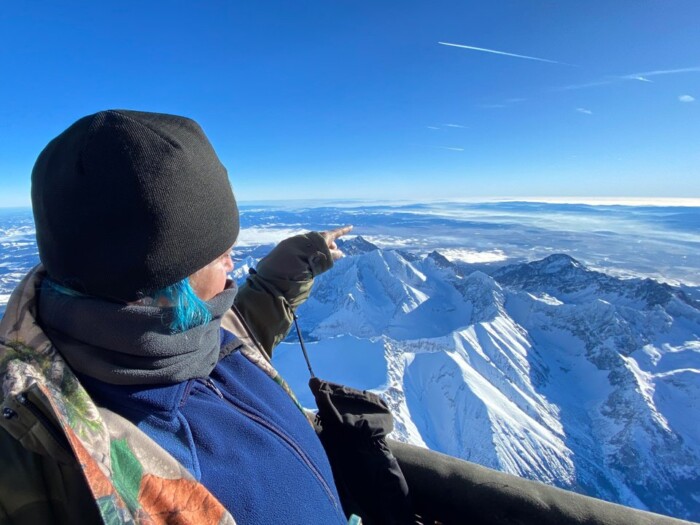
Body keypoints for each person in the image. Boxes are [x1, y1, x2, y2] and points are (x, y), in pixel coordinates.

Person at [0, 109, 355, 524]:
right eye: (220, 252)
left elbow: (243, 322)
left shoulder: (195, 334)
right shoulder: (41, 450)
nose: (234, 263)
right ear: (161, 279)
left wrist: (299, 262)